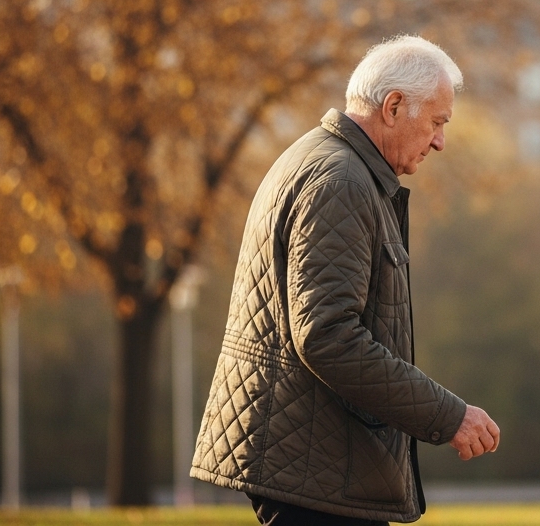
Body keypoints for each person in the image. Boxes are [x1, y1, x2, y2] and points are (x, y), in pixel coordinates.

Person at [192, 36, 501, 525]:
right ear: (394, 106)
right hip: (315, 473)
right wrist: (448, 416)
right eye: (437, 122)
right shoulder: (341, 182)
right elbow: (328, 336)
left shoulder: (331, 163)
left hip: (316, 465)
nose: (441, 141)